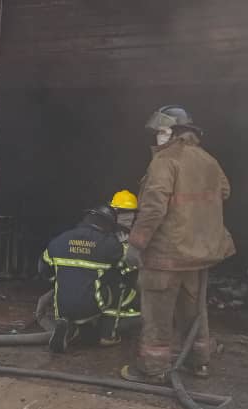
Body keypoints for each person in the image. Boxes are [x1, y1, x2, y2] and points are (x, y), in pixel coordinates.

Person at [121, 106, 235, 384]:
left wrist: (135, 245)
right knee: (194, 311)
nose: (157, 138)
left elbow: (153, 208)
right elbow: (224, 192)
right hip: (197, 255)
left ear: (175, 133)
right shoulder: (209, 160)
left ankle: (152, 369)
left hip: (165, 256)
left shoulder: (164, 161)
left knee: (158, 314)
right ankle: (199, 363)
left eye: (161, 132)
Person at [38, 191, 141, 353]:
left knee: (75, 286)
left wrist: (67, 279)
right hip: (92, 305)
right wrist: (126, 247)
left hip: (62, 308)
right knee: (118, 286)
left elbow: (44, 271)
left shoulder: (60, 239)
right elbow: (129, 269)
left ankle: (69, 328)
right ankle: (107, 335)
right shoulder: (110, 244)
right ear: (108, 223)